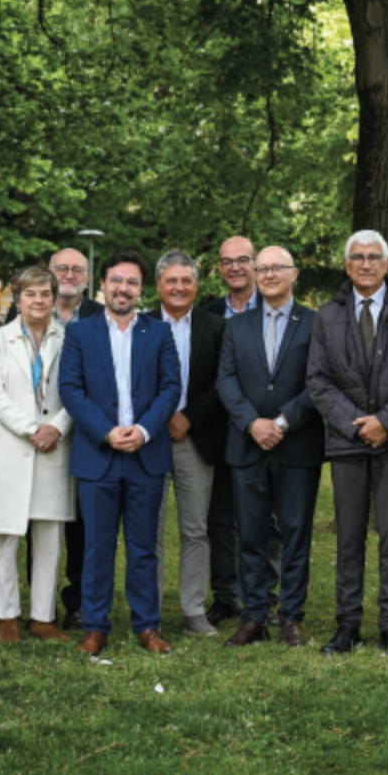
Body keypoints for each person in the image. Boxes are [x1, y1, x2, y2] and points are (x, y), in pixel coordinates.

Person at [308, 231, 388, 657]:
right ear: (347, 265)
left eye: (374, 257)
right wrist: (357, 425)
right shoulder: (327, 315)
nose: (366, 264)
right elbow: (318, 380)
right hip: (347, 441)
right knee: (349, 538)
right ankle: (347, 625)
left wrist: (387, 422)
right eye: (358, 257)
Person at [59, 251, 182, 656]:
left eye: (131, 282)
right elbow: (71, 389)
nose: (123, 288)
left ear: (141, 290)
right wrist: (107, 432)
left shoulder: (159, 332)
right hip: (99, 455)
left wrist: (143, 431)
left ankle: (147, 626)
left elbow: (170, 388)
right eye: (116, 280)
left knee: (144, 547)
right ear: (103, 285)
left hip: (146, 455)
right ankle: (95, 627)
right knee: (96, 547)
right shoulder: (80, 333)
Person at [216, 246, 325, 647]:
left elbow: (320, 380)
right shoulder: (236, 326)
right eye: (262, 268)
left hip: (297, 443)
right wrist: (252, 423)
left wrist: (281, 422)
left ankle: (290, 617)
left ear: (294, 273)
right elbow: (226, 380)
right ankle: (254, 616)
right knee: (250, 534)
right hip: (247, 445)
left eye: (277, 267)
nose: (269, 274)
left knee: (295, 534)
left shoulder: (316, 323)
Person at [5, 248, 103, 633]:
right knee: (38, 521)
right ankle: (39, 605)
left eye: (78, 269)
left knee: (81, 525)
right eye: (62, 268)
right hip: (36, 439)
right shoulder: (17, 316)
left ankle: (76, 603)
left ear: (87, 277)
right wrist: (34, 429)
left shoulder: (99, 316)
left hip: (86, 435)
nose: (69, 274)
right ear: (49, 274)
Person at [0, 267, 76, 643]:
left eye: (45, 294)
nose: (38, 300)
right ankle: (6, 616)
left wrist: (58, 427)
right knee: (4, 535)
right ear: (17, 299)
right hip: (12, 444)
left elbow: (78, 391)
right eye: (30, 294)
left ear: (54, 299)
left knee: (49, 536)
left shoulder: (69, 338)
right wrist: (33, 428)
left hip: (54, 446)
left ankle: (42, 617)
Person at [200, 235, 282, 626]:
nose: (234, 267)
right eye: (226, 261)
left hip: (264, 430)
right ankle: (226, 595)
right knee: (221, 520)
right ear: (219, 268)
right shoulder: (208, 314)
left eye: (242, 260)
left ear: (255, 264)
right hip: (218, 430)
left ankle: (265, 594)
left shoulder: (275, 308)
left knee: (266, 519)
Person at [151, 251, 228, 636]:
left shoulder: (217, 327)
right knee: (148, 530)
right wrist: (161, 417)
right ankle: (148, 609)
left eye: (186, 280)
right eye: (172, 281)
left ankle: (194, 610)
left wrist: (189, 417)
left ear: (196, 286)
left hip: (197, 440)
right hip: (150, 440)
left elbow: (223, 380)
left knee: (195, 529)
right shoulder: (141, 325)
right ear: (159, 286)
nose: (179, 287)